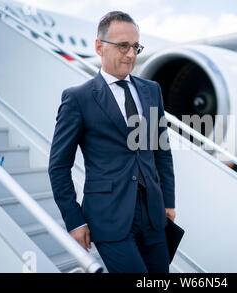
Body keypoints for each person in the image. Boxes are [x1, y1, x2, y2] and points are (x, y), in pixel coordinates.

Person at [48, 11, 175, 273]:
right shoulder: (78, 98)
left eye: (135, 47)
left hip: (153, 214)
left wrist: (168, 201)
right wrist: (74, 220)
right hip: (109, 217)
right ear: (99, 47)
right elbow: (59, 166)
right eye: (122, 46)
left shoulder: (151, 90)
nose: (130, 54)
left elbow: (161, 150)